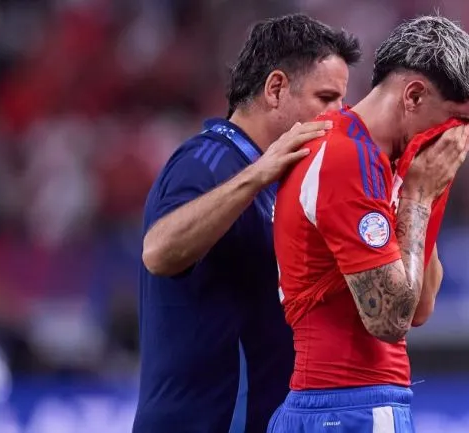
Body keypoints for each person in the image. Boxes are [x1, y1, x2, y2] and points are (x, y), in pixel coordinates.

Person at [270, 15, 469, 432]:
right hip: (347, 406)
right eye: (458, 122)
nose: (460, 141)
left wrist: (425, 190)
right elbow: (390, 319)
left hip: (351, 403)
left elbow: (420, 306)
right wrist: (418, 197)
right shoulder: (346, 157)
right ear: (413, 96)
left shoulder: (389, 166)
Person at [133, 14, 361, 433]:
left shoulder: (286, 181)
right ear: (275, 89)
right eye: (326, 98)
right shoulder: (206, 161)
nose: (338, 115)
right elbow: (158, 251)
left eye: (342, 102)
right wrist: (257, 175)